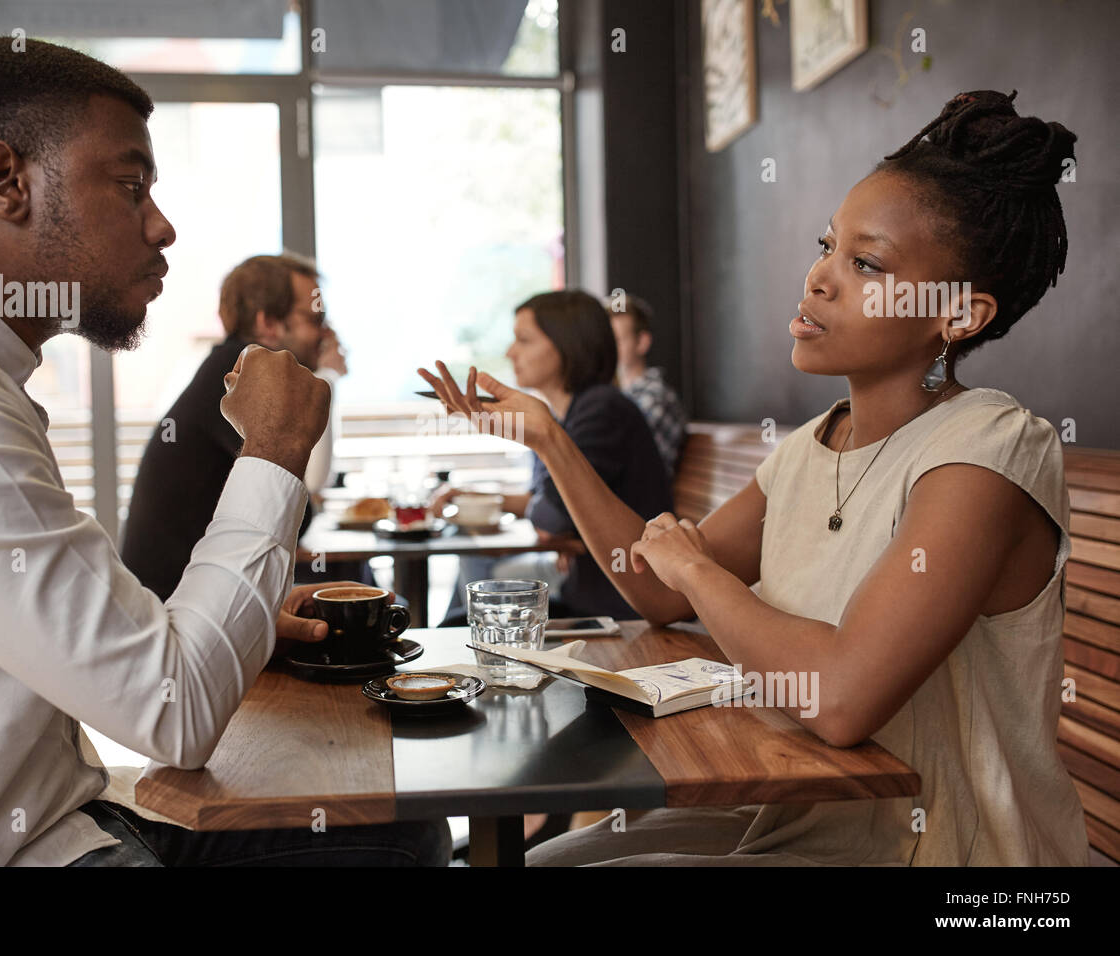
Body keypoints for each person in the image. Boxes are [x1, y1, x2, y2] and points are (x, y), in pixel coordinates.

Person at [0, 37, 448, 867]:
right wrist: (275, 449)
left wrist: (247, 627)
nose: (161, 224)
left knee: (404, 830)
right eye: (130, 185)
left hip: (60, 814)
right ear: (4, 181)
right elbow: (174, 709)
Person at [421, 90, 1089, 866]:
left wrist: (698, 570)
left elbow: (838, 698)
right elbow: (658, 591)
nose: (819, 277)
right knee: (542, 862)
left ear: (959, 315)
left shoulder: (989, 452)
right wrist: (549, 436)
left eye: (865, 264)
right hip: (797, 817)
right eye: (826, 245)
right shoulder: (810, 446)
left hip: (945, 848)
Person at [120, 252, 361, 597]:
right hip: (175, 606)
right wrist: (325, 379)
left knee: (355, 585)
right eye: (315, 319)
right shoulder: (240, 380)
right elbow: (299, 513)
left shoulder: (228, 366)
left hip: (188, 593)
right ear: (269, 324)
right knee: (360, 596)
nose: (327, 333)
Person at [435, 290, 673, 622]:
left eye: (524, 340)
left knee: (464, 605)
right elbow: (545, 505)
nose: (510, 352)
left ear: (567, 344)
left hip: (617, 607)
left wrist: (556, 521)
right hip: (589, 590)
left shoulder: (602, 410)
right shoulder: (571, 413)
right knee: (459, 611)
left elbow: (550, 517)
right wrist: (481, 497)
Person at [608, 294, 687, 476]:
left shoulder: (655, 397)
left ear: (642, 342)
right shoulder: (617, 394)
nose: (609, 349)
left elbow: (623, 464)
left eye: (617, 340)